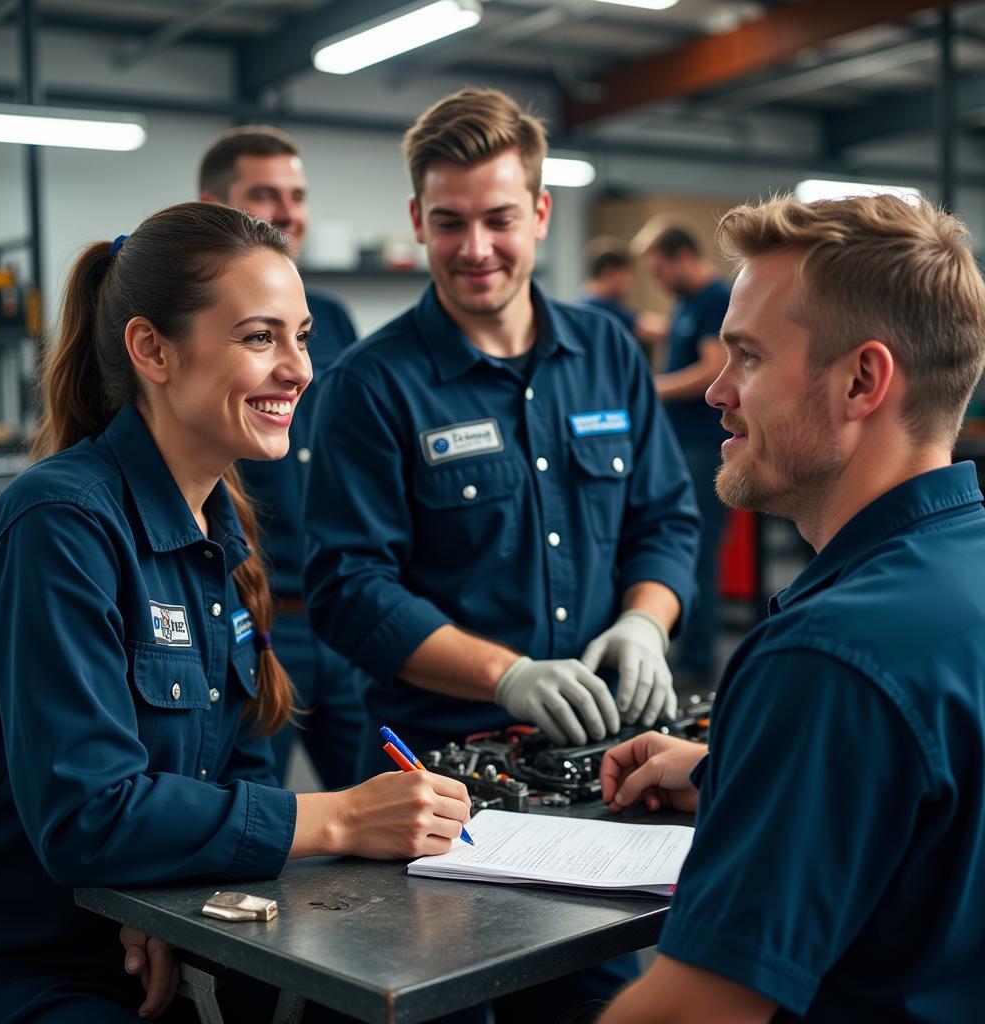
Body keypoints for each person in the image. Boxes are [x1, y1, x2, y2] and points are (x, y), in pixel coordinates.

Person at [0, 202, 471, 1024]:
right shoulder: (60, 525)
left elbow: (237, 765)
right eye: (260, 338)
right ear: (152, 349)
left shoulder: (216, 528)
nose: (301, 369)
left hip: (133, 930)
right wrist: (340, 815)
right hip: (14, 961)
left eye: (302, 337)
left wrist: (162, 905)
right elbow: (88, 815)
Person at [303, 87, 700, 1019]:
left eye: (498, 219)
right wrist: (509, 674)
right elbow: (349, 589)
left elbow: (666, 522)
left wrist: (646, 620)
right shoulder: (370, 385)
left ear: (542, 213)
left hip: (593, 772)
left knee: (594, 995)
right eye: (448, 223)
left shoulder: (606, 350)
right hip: (434, 789)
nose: (475, 248)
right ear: (417, 220)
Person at [597, 193, 985, 1023]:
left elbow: (694, 1013)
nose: (718, 391)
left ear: (861, 380)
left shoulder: (828, 657)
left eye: (748, 358)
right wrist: (733, 770)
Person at [199, 125, 364, 789]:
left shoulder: (331, 316)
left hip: (341, 619)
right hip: (251, 618)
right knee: (253, 823)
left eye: (296, 194)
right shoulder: (199, 329)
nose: (288, 211)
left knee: (386, 815)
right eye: (264, 194)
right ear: (213, 204)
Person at [632, 222, 731, 688]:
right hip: (681, 446)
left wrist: (652, 388)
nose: (659, 282)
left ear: (683, 258)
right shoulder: (686, 303)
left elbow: (714, 368)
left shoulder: (714, 298)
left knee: (696, 551)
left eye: (660, 271)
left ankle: (697, 661)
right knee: (678, 545)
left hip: (704, 447)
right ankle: (686, 651)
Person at [578, 235, 645, 341]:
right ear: (608, 272)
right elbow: (652, 330)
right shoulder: (601, 308)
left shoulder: (582, 303)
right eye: (626, 273)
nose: (630, 280)